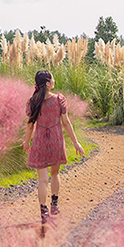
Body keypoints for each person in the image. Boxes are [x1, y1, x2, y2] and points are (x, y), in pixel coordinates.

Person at [22, 69, 84, 224]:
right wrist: (75, 142)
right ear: (48, 84)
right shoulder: (59, 100)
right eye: (52, 79)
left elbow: (30, 126)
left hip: (40, 142)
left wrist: (27, 142)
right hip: (56, 140)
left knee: (42, 180)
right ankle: (54, 204)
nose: (54, 81)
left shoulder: (33, 102)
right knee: (55, 174)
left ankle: (43, 211)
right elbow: (66, 123)